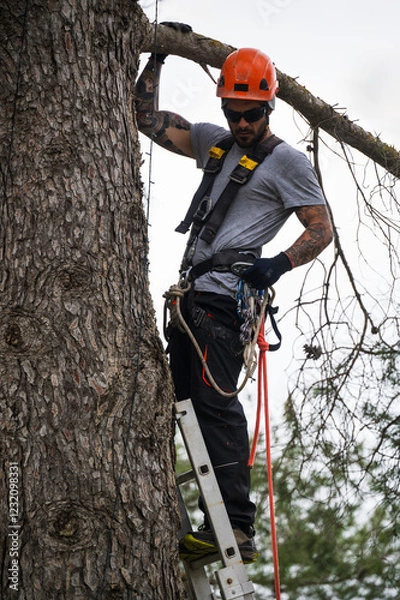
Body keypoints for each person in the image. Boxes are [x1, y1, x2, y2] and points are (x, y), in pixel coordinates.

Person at [135, 42, 333, 564]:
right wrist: (156, 58)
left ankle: (237, 530)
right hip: (189, 298)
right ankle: (205, 522)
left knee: (215, 407)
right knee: (176, 409)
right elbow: (147, 120)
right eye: (232, 112)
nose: (241, 123)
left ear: (269, 108)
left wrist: (279, 264)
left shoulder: (286, 161)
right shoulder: (215, 143)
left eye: (250, 115)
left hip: (224, 304)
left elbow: (322, 228)